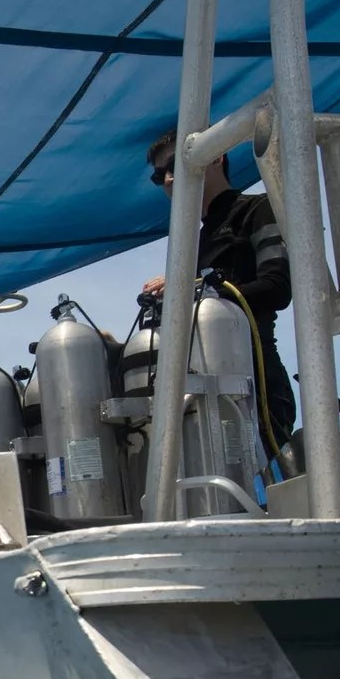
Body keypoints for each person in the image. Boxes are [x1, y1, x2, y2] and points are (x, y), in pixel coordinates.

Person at [144, 129, 295, 450]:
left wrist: (191, 288)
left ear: (216, 156)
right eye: (160, 177)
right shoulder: (192, 246)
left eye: (175, 165)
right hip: (202, 392)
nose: (169, 180)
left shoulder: (258, 209)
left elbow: (277, 288)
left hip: (257, 386)